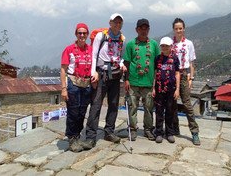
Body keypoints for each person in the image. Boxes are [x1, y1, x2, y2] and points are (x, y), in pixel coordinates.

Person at [82, 13, 126, 149]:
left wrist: (123, 63)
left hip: (115, 73)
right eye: (115, 22)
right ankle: (90, 137)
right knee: (96, 104)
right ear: (110, 22)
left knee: (113, 104)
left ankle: (109, 131)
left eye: (119, 22)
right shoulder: (102, 36)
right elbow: (94, 54)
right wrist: (93, 72)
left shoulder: (122, 38)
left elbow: (121, 56)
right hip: (101, 73)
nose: (117, 24)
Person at [123, 18, 160, 141]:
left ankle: (148, 130)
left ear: (149, 29)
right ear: (136, 30)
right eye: (141, 28)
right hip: (133, 82)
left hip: (148, 83)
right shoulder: (130, 44)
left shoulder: (154, 44)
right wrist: (126, 80)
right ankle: (133, 129)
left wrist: (155, 83)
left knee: (149, 108)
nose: (143, 31)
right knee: (132, 107)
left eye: (146, 28)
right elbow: (126, 63)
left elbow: (157, 65)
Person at [60, 23, 92, 152]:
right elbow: (63, 70)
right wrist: (63, 88)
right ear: (76, 34)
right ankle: (72, 138)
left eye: (84, 33)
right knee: (73, 112)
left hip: (86, 84)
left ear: (87, 35)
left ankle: (77, 136)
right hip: (73, 84)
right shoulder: (69, 50)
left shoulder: (90, 49)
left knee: (82, 112)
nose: (82, 35)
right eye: (80, 33)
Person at [172, 17, 201, 145]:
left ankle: (194, 132)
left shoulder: (188, 43)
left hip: (183, 74)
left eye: (180, 28)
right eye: (176, 28)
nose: (178, 30)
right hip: (171, 75)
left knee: (187, 105)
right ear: (173, 30)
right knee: (171, 104)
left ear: (184, 29)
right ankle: (174, 128)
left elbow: (191, 62)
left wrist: (191, 78)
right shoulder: (170, 43)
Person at [152, 37, 180, 143]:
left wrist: (177, 89)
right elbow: (155, 73)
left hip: (171, 89)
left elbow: (177, 73)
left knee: (170, 111)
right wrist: (153, 88)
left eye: (167, 46)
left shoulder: (175, 59)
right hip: (159, 89)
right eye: (162, 46)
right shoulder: (158, 58)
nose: (164, 48)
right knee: (159, 111)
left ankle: (169, 133)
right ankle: (159, 132)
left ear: (171, 46)